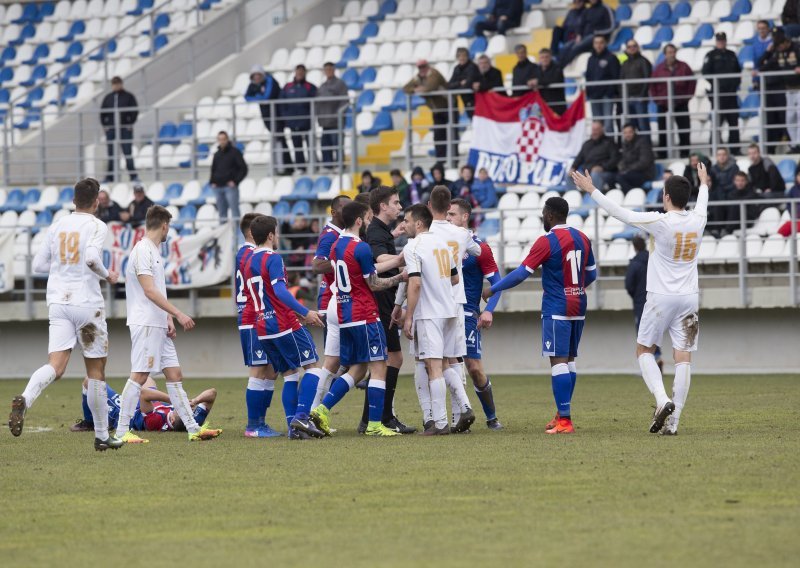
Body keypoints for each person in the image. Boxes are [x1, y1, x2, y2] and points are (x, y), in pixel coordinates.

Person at [571, 163, 710, 436]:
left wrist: (592, 191)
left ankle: (662, 400)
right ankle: (674, 421)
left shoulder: (661, 222)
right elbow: (703, 201)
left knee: (644, 350)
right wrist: (704, 183)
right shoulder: (698, 219)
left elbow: (621, 213)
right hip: (689, 298)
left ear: (666, 197)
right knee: (683, 358)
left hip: (661, 297)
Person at [8, 178, 122, 451]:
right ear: (96, 202)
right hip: (86, 303)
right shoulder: (97, 225)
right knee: (96, 371)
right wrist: (108, 276)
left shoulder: (57, 225)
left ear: (73, 201)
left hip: (58, 302)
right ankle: (102, 435)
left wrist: (63, 270)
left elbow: (38, 265)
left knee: (56, 365)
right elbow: (92, 259)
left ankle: (26, 398)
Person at [483, 196, 597, 434]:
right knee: (570, 361)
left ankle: (565, 420)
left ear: (550, 215)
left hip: (557, 307)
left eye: (544, 213)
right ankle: (561, 413)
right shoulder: (583, 237)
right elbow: (592, 274)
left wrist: (493, 288)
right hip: (579, 305)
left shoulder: (547, 241)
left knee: (557, 362)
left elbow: (521, 273)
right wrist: (573, 287)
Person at [114, 205, 222, 444]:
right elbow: (149, 291)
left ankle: (193, 428)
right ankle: (121, 432)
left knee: (174, 374)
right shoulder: (143, 250)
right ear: (164, 225)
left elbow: (157, 291)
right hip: (146, 323)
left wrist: (168, 318)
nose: (168, 232)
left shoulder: (154, 251)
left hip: (159, 324)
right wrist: (179, 313)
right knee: (140, 375)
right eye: (168, 227)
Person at [298, 202, 407, 438]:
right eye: (367, 218)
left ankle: (322, 409)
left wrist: (396, 261)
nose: (369, 221)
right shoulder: (361, 247)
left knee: (357, 369)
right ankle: (374, 425)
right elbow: (374, 284)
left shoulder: (336, 245)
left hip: (344, 314)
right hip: (364, 314)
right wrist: (400, 276)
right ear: (358, 220)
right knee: (379, 367)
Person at [245, 215, 326, 440]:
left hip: (262, 326)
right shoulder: (273, 258)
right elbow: (280, 292)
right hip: (282, 324)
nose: (278, 236)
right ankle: (301, 416)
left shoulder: (248, 260)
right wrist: (305, 312)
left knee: (290, 373)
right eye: (277, 233)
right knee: (313, 366)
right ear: (271, 235)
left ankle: (294, 428)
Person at [399, 204, 460, 435]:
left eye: (406, 220)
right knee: (443, 364)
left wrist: (409, 317)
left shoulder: (413, 246)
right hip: (448, 310)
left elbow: (414, 283)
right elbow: (454, 278)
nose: (403, 225)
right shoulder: (442, 242)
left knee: (434, 367)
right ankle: (461, 409)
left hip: (430, 313)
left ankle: (440, 423)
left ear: (418, 223)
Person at [423, 186, 480, 431]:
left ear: (428, 206)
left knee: (430, 362)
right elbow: (478, 251)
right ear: (449, 208)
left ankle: (434, 418)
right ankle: (460, 414)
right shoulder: (461, 233)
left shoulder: (425, 233)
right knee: (454, 358)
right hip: (457, 299)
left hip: (431, 301)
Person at [361, 186, 416, 434]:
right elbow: (377, 261)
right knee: (390, 359)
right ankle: (383, 417)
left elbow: (380, 248)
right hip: (380, 300)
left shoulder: (381, 231)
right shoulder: (375, 231)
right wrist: (402, 259)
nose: (399, 207)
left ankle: (370, 418)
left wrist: (394, 236)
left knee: (383, 361)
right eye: (395, 203)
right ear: (383, 206)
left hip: (385, 299)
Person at [447, 198, 503, 429]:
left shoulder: (480, 248)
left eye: (452, 214)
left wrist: (489, 310)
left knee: (474, 368)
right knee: (442, 366)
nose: (448, 218)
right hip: (443, 312)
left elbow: (497, 283)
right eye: (446, 214)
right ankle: (449, 419)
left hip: (469, 314)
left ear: (464, 217)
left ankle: (491, 417)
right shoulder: (440, 244)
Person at [235, 212, 282, 438]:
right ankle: (253, 425)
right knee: (258, 369)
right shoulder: (248, 254)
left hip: (259, 317)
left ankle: (261, 422)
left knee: (271, 369)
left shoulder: (248, 254)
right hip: (252, 317)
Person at [71, 376, 215, 434]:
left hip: (124, 411)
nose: (186, 410)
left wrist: (176, 400)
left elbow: (143, 394)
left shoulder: (156, 421)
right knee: (147, 377)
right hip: (147, 404)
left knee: (89, 381)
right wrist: (195, 401)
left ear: (171, 420)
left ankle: (89, 422)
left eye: (182, 410)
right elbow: (212, 393)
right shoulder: (193, 421)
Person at [404, 60, 454, 166]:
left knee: (451, 134)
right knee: (438, 135)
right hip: (437, 110)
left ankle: (453, 160)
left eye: (423, 67)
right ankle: (441, 161)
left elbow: (432, 86)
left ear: (427, 66)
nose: (421, 69)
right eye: (420, 67)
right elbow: (406, 88)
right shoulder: (419, 78)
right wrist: (417, 89)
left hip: (448, 107)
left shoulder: (434, 73)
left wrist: (419, 89)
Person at [244, 64, 292, 174]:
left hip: (277, 114)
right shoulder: (255, 85)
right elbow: (247, 97)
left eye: (258, 75)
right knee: (276, 139)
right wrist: (258, 97)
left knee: (280, 139)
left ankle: (285, 166)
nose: (256, 78)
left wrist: (257, 97)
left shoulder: (270, 81)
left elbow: (267, 97)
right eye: (254, 76)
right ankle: (280, 166)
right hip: (266, 115)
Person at [650, 44, 696, 158]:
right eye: (669, 52)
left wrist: (687, 97)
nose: (671, 54)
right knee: (663, 130)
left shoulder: (684, 67)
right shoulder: (658, 69)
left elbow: (692, 82)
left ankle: (685, 154)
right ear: (665, 54)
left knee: (684, 130)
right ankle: (663, 154)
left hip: (680, 103)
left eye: (673, 52)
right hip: (664, 104)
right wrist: (658, 99)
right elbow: (652, 86)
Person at [758, 29, 800, 152]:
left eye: (780, 44)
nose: (779, 47)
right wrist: (767, 51)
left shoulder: (797, 48)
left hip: (799, 88)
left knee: (799, 116)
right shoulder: (778, 52)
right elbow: (762, 65)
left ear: (785, 42)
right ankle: (794, 144)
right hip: (788, 90)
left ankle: (798, 143)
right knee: (790, 118)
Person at [626, 236, 663, 372]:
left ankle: (647, 368)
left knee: (643, 335)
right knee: (655, 331)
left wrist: (636, 297)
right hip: (657, 300)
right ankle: (657, 357)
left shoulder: (635, 264)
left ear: (635, 247)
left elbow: (629, 285)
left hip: (641, 303)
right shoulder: (654, 260)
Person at [702, 32, 742, 152]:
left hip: (731, 94)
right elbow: (706, 73)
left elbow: (737, 72)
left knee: (733, 123)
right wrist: (718, 85)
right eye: (719, 40)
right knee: (716, 123)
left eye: (723, 40)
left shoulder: (732, 55)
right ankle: (714, 149)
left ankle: (735, 149)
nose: (721, 43)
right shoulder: (711, 55)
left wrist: (734, 84)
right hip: (717, 94)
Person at [100, 76, 138, 183]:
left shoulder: (128, 96)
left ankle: (133, 175)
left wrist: (130, 123)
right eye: (114, 84)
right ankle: (110, 176)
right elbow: (102, 113)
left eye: (118, 84)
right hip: (112, 129)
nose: (116, 86)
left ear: (121, 84)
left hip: (124, 128)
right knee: (111, 153)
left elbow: (134, 111)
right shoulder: (108, 98)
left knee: (127, 152)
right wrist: (106, 126)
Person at [280, 64, 317, 173]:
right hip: (293, 122)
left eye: (302, 72)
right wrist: (286, 117)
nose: (300, 74)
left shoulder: (310, 87)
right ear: (295, 72)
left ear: (305, 73)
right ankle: (300, 167)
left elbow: (315, 103)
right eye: (298, 71)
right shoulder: (288, 87)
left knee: (310, 144)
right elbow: (281, 103)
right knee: (297, 146)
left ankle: (312, 164)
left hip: (307, 121)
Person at [567, 120, 619, 191]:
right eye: (593, 130)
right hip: (587, 172)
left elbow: (615, 159)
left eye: (597, 130)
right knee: (570, 175)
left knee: (595, 174)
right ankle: (573, 198)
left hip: (605, 172)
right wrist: (573, 167)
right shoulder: (587, 144)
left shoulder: (610, 143)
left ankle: (594, 199)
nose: (594, 132)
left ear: (602, 130)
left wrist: (602, 167)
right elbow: (579, 158)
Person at [560, 0, 615, 66]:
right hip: (584, 37)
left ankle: (560, 68)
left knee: (575, 48)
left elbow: (611, 26)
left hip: (598, 37)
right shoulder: (587, 10)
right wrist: (579, 34)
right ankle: (557, 66)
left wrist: (597, 33)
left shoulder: (606, 8)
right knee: (566, 47)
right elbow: (581, 25)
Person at [210, 131, 248, 223]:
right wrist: (212, 182)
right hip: (218, 187)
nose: (222, 141)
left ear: (227, 139)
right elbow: (213, 169)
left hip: (230, 188)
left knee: (235, 212)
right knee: (222, 214)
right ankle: (223, 236)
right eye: (220, 139)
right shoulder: (216, 154)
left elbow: (244, 168)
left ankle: (237, 236)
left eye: (224, 139)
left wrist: (235, 181)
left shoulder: (235, 152)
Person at [585, 35, 620, 134]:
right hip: (594, 96)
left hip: (606, 96)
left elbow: (615, 76)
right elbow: (588, 76)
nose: (598, 45)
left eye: (601, 42)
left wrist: (610, 92)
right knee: (597, 124)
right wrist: (590, 92)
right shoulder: (590, 59)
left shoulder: (611, 58)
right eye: (596, 43)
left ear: (605, 44)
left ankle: (611, 148)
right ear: (593, 44)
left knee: (608, 124)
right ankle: (599, 148)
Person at [317, 62, 348, 168]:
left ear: (334, 70)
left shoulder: (340, 84)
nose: (328, 71)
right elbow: (317, 103)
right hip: (325, 121)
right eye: (326, 69)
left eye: (330, 69)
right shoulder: (322, 86)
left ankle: (339, 164)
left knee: (337, 144)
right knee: (325, 145)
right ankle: (328, 166)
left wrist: (338, 115)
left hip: (335, 121)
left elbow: (344, 101)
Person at [620, 39, 652, 135]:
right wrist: (623, 96)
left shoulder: (644, 61)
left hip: (640, 99)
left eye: (634, 46)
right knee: (631, 127)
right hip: (627, 99)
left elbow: (647, 79)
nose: (632, 48)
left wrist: (642, 95)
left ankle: (646, 148)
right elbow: (620, 81)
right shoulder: (625, 63)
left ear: (637, 47)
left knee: (643, 126)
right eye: (629, 46)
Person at [614, 123, 656, 193]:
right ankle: (631, 192)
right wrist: (622, 167)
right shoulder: (625, 143)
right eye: (625, 133)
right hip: (631, 172)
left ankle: (632, 194)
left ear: (634, 132)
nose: (627, 135)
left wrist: (628, 169)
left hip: (644, 173)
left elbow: (644, 162)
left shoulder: (643, 142)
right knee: (612, 177)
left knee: (620, 178)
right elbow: (624, 160)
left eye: (630, 132)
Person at [710, 148, 740, 231]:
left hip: (731, 195)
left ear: (727, 156)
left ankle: (727, 230)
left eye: (724, 154)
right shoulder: (713, 169)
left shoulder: (734, 167)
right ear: (716, 157)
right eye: (719, 155)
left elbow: (735, 183)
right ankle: (717, 230)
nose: (722, 157)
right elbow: (712, 185)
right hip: (718, 196)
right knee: (716, 206)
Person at [447, 47, 480, 118]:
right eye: (459, 56)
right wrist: (459, 83)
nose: (462, 58)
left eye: (464, 56)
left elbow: (468, 84)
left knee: (475, 118)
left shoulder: (472, 67)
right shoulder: (456, 68)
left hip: (475, 98)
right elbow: (449, 85)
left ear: (467, 56)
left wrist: (456, 87)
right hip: (464, 98)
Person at [534, 48, 567, 114]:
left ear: (551, 57)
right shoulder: (536, 69)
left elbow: (554, 80)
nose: (544, 59)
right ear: (539, 59)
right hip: (542, 106)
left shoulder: (557, 68)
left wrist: (538, 82)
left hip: (557, 106)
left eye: (546, 57)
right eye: (542, 57)